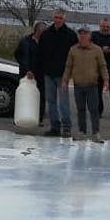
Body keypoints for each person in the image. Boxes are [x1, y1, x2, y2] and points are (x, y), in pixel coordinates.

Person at [34, 8, 77, 137]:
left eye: (60, 18)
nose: (57, 20)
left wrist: (70, 72)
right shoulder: (46, 34)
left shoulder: (70, 35)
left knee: (63, 102)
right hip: (48, 73)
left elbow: (75, 54)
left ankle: (67, 128)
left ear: (64, 19)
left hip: (63, 74)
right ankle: (55, 127)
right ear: (53, 18)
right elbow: (40, 53)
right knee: (51, 101)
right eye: (56, 17)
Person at [62, 25, 109, 143]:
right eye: (80, 33)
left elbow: (103, 66)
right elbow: (68, 66)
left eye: (85, 33)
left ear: (89, 36)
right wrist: (65, 80)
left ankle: (96, 133)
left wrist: (106, 80)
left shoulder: (97, 50)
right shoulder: (73, 50)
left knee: (94, 110)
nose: (82, 35)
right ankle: (82, 132)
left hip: (92, 85)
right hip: (78, 85)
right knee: (80, 110)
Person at [14, 21, 46, 124]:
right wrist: (26, 69)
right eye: (41, 31)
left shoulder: (45, 43)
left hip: (40, 73)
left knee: (40, 95)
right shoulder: (25, 41)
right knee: (23, 94)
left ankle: (39, 118)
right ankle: (20, 115)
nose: (42, 34)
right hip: (26, 72)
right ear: (36, 31)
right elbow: (18, 54)